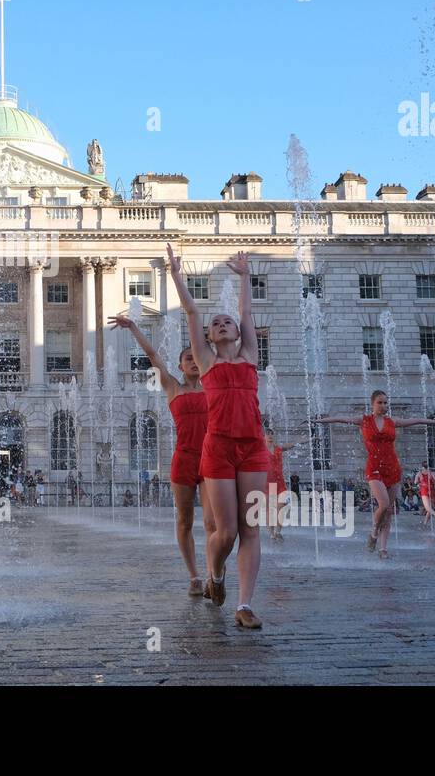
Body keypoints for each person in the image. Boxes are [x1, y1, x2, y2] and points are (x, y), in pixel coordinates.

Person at [166, 244, 266, 628]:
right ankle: (216, 576)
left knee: (250, 529)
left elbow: (246, 312)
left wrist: (244, 277)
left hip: (253, 449)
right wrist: (176, 275)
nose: (224, 324)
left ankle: (244, 605)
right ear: (207, 336)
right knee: (224, 531)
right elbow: (191, 311)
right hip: (218, 450)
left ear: (238, 333)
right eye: (216, 323)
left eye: (228, 323)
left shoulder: (250, 357)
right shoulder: (205, 361)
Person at [109, 313, 216, 596]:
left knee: (211, 522)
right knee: (184, 520)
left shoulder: (214, 387)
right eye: (188, 358)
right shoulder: (173, 387)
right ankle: (194, 575)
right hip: (183, 459)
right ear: (180, 366)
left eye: (197, 357)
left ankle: (213, 573)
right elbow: (152, 354)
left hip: (210, 459)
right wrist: (132, 326)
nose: (193, 361)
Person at [315, 393, 435, 559]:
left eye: (386, 403)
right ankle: (373, 532)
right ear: (372, 404)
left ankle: (382, 549)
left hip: (393, 468)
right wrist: (317, 421)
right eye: (380, 402)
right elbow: (339, 419)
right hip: (374, 468)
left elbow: (418, 420)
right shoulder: (364, 420)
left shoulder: (392, 422)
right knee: (383, 503)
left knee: (388, 511)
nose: (383, 405)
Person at [264, 429, 292, 542]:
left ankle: (278, 531)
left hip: (280, 483)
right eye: (268, 434)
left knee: (281, 507)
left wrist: (311, 439)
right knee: (269, 510)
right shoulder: (260, 449)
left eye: (272, 434)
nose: (270, 436)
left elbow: (293, 445)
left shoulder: (279, 449)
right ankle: (271, 533)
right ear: (263, 436)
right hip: (266, 483)